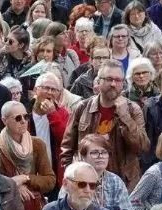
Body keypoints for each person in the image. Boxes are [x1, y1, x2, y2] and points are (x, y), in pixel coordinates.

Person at [61, 59, 150, 190]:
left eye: (118, 80)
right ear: (99, 81)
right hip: (88, 182)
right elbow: (67, 149)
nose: (113, 84)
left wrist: (125, 117)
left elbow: (142, 147)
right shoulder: (82, 108)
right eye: (109, 79)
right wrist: (72, 177)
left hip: (124, 183)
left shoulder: (133, 110)